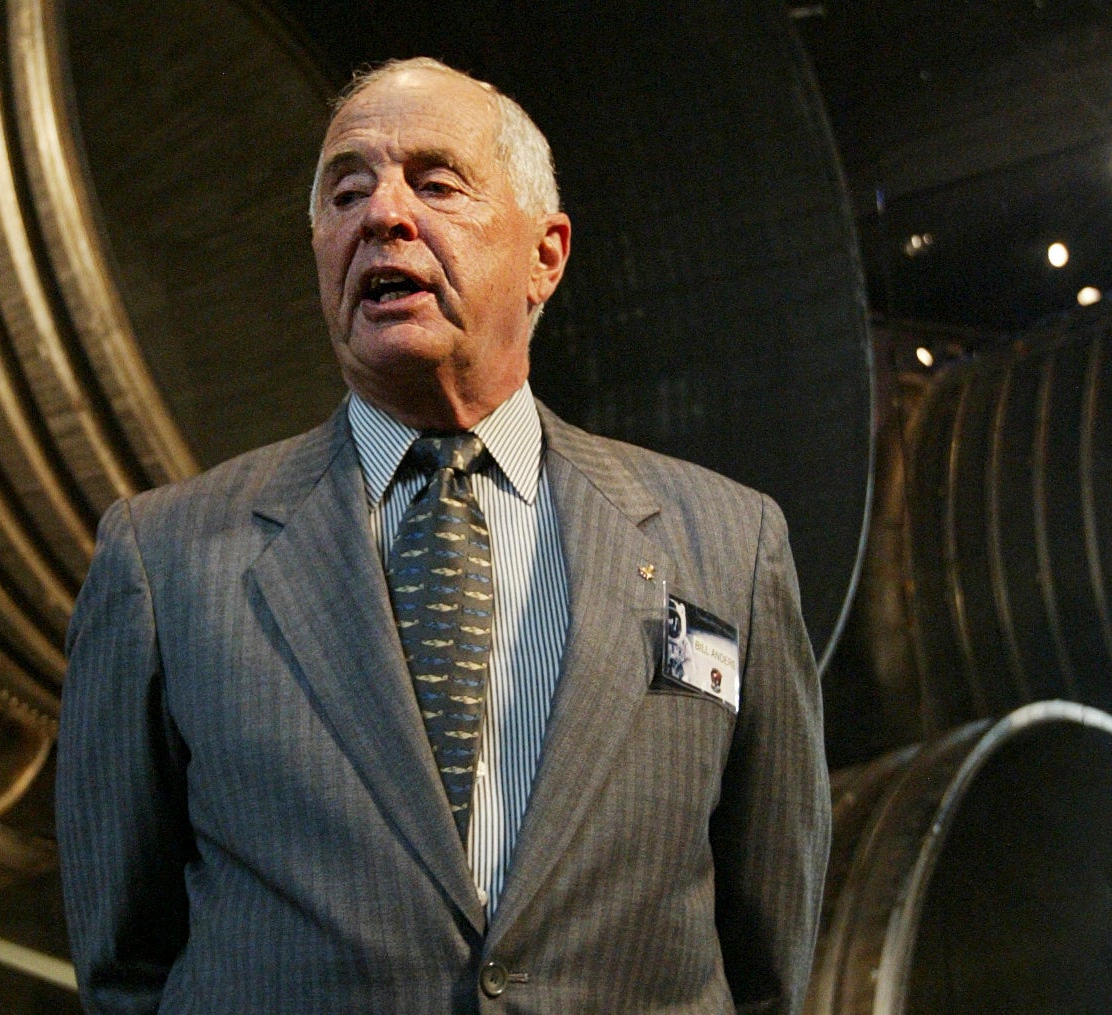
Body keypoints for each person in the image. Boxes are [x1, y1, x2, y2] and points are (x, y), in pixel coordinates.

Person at [57, 57, 830, 1015]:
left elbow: (766, 947)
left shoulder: (729, 542)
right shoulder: (160, 557)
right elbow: (123, 962)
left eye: (434, 183)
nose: (381, 214)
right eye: (347, 191)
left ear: (545, 255)